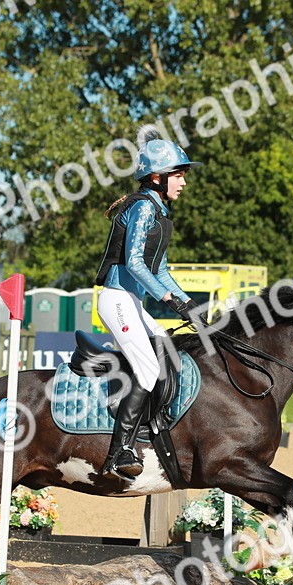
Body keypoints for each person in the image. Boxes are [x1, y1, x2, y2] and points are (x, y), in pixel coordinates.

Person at [93, 125, 201, 480]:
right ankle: (119, 451)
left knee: (166, 350)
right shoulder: (141, 207)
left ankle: (150, 425)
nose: (183, 182)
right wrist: (169, 300)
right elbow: (135, 264)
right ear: (157, 177)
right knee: (149, 368)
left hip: (131, 302)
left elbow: (161, 269)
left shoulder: (159, 211)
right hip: (117, 300)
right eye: (178, 175)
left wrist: (189, 304)